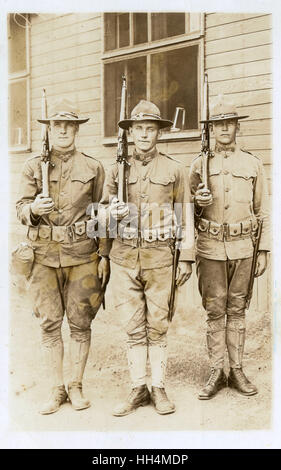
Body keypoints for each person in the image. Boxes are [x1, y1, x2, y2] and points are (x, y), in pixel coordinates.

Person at [16, 98, 110, 414]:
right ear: (50, 129)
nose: (63, 131)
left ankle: (76, 385)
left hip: (83, 255)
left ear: (76, 129)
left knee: (81, 322)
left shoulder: (93, 167)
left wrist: (104, 255)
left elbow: (102, 213)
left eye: (69, 125)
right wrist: (32, 209)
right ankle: (56, 389)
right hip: (42, 256)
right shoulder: (33, 166)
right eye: (58, 125)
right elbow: (20, 207)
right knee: (49, 323)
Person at [100, 100, 194, 416]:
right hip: (124, 258)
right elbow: (97, 217)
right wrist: (110, 213)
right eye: (138, 128)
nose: (143, 134)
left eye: (149, 128)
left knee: (158, 323)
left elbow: (186, 214)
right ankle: (138, 387)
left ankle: (159, 387)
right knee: (132, 325)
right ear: (130, 132)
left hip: (160, 257)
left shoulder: (174, 170)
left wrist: (187, 257)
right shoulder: (115, 170)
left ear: (158, 133)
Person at [189, 95, 270, 400]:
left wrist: (263, 250)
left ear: (237, 127)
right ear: (210, 129)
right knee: (214, 310)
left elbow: (262, 210)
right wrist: (199, 204)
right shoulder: (199, 165)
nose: (224, 128)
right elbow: (189, 212)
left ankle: (236, 370)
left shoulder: (252, 163)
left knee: (238, 309)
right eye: (218, 124)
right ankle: (215, 370)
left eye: (229, 123)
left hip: (244, 248)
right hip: (210, 247)